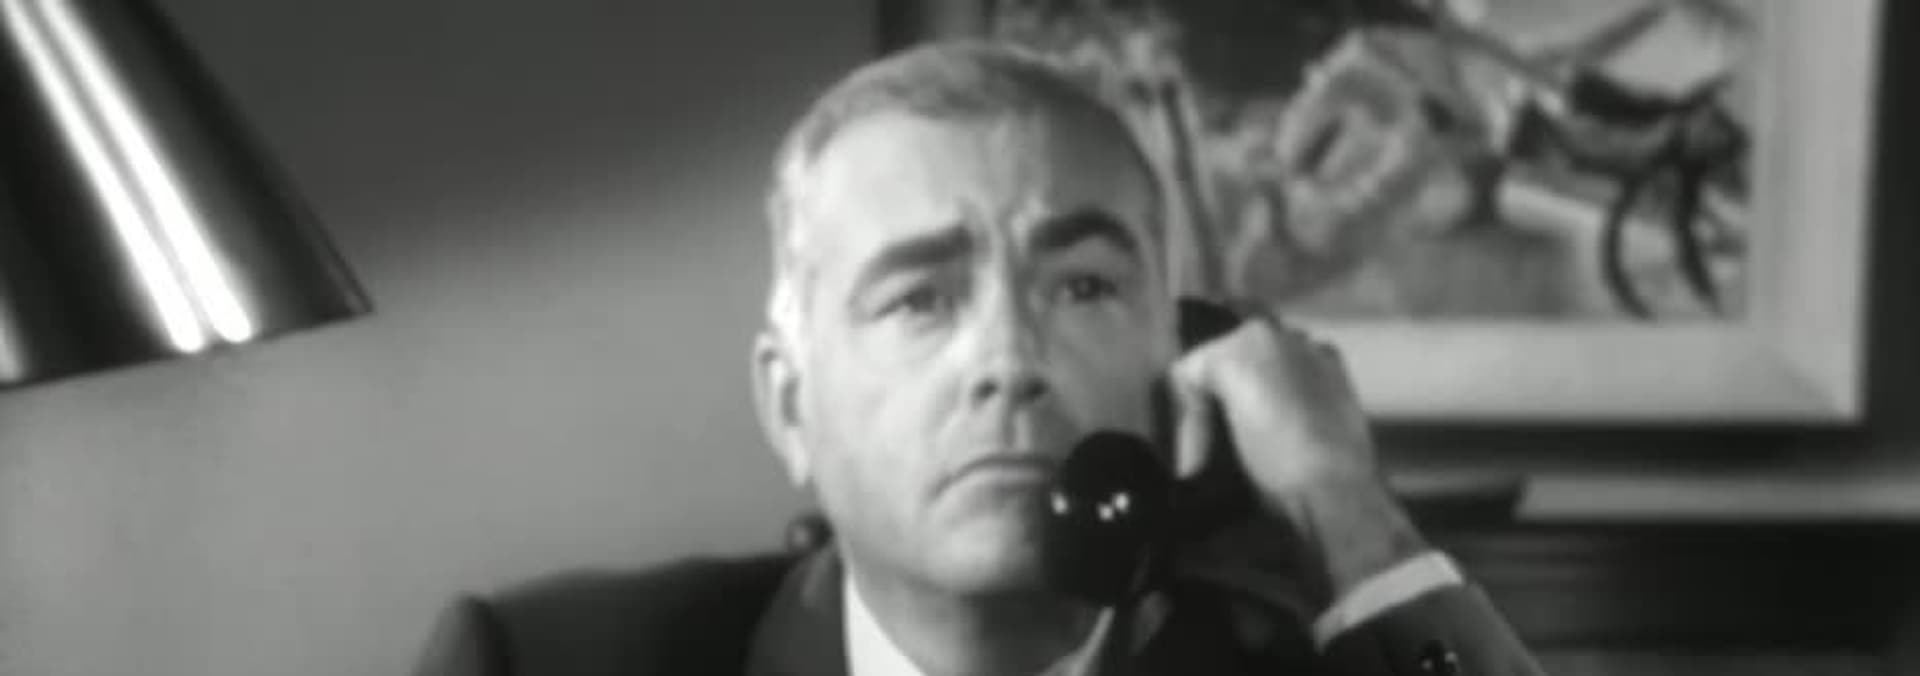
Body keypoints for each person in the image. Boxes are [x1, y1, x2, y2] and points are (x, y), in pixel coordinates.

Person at [412, 41, 1546, 676]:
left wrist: (1345, 508)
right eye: (920, 298)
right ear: (790, 407)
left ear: (1180, 360)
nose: (1007, 358)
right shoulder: (542, 666)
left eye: (1083, 288)